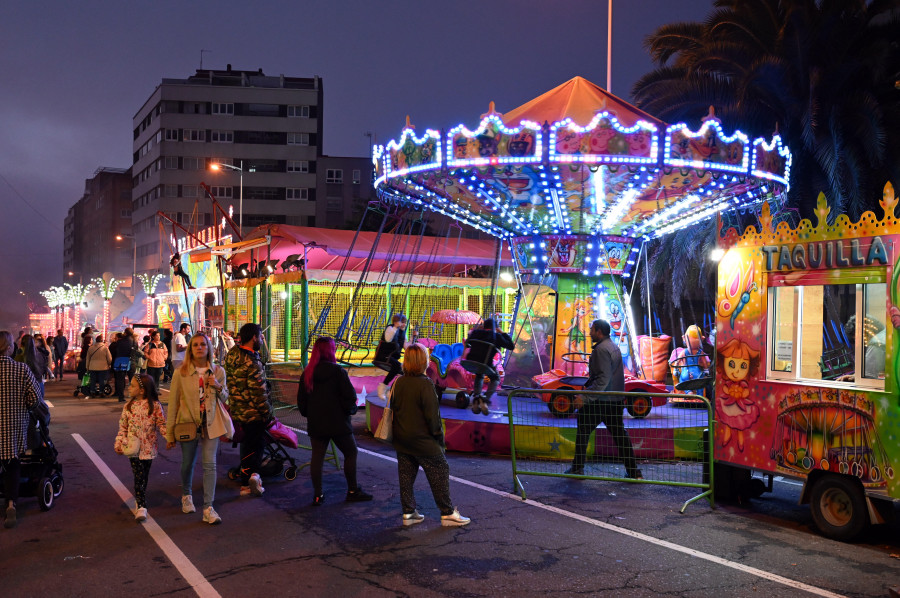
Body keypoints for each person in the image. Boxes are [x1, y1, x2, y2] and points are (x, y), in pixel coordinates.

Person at [390, 343, 470, 527]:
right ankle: (448, 513)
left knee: (406, 476)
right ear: (423, 361)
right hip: (423, 441)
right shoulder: (425, 384)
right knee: (440, 470)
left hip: (402, 439)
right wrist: (439, 439)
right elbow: (433, 418)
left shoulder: (399, 381)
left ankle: (408, 512)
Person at [296, 337, 373, 506]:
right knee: (351, 453)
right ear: (331, 351)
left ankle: (318, 495)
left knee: (317, 457)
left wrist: (311, 414)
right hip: (339, 423)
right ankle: (352, 490)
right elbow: (350, 397)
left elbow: (301, 402)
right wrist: (349, 412)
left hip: (317, 423)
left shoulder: (308, 373)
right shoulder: (338, 372)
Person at [566, 319, 642, 480]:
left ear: (599, 331)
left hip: (601, 401)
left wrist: (585, 397)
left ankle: (578, 467)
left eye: (592, 329)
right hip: (614, 400)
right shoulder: (612, 346)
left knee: (584, 430)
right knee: (620, 435)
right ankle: (633, 471)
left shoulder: (601, 350)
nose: (590, 332)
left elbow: (603, 380)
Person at [165, 333, 229, 524]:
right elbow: (173, 403)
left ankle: (208, 508)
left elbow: (227, 399)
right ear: (190, 349)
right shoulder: (181, 372)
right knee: (188, 464)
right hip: (188, 423)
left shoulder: (218, 371)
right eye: (195, 345)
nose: (200, 348)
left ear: (209, 348)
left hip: (211, 423)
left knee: (210, 466)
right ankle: (186, 495)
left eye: (203, 344)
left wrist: (218, 386)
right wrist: (170, 434)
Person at [0, 330, 44, 528]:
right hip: (13, 426)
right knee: (12, 464)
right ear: (9, 348)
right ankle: (11, 503)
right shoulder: (21, 369)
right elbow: (34, 400)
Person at [224, 323, 272, 498]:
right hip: (254, 413)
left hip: (237, 410)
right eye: (260, 336)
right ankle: (255, 476)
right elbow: (258, 392)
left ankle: (244, 484)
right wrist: (267, 412)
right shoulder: (251, 361)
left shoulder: (232, 355)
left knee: (246, 446)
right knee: (257, 446)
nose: (261, 339)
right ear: (253, 337)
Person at [114, 373, 167, 522]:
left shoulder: (155, 406)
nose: (129, 388)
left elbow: (162, 425)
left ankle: (141, 496)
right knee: (138, 476)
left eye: (132, 385)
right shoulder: (129, 406)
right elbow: (122, 427)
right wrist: (119, 443)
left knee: (144, 476)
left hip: (149, 448)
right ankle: (141, 505)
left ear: (142, 390)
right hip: (134, 448)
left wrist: (170, 438)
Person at [463, 318, 515, 415]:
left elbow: (468, 343)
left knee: (479, 374)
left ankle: (477, 397)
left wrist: (478, 329)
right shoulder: (496, 336)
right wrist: (501, 332)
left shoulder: (476, 333)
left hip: (471, 361)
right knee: (495, 378)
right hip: (486, 364)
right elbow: (511, 346)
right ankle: (485, 398)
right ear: (495, 328)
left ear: (484, 326)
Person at [374, 313, 407, 400]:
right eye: (403, 322)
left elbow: (406, 346)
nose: (405, 324)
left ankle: (391, 390)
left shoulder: (403, 332)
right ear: (397, 322)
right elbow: (388, 339)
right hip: (384, 356)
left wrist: (413, 338)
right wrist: (395, 327)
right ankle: (382, 387)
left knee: (404, 372)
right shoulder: (390, 328)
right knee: (397, 366)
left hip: (393, 357)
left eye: (405, 322)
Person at [113, 329, 137, 402]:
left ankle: (121, 397)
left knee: (120, 379)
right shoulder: (134, 341)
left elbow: (115, 350)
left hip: (120, 361)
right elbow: (135, 351)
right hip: (131, 361)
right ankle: (134, 396)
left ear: (125, 333)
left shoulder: (119, 341)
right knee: (132, 380)